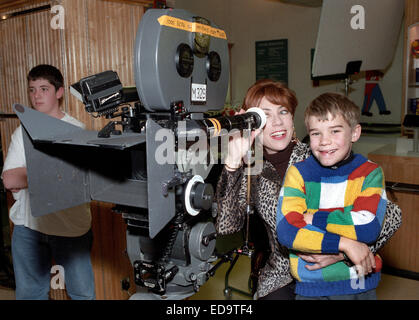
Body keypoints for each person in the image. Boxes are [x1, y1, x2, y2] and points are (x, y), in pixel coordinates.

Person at [216, 80, 401, 300]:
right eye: (266, 116)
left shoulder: (321, 152)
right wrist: (232, 163)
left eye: (283, 112)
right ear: (253, 124)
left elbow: (392, 215)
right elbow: (226, 226)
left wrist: (341, 252)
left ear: (293, 118)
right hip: (281, 275)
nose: (277, 123)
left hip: (336, 269)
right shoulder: (252, 172)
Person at [277, 92, 388, 300]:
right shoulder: (298, 173)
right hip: (311, 288)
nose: (324, 141)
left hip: (360, 285)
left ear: (355, 133)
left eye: (335, 131)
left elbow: (367, 226)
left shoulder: (370, 173)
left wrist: (313, 218)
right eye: (315, 133)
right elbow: (287, 230)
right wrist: (345, 243)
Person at [1, 64, 95, 300]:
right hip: (28, 227)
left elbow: (74, 181)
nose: (36, 96)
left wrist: (30, 174)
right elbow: (9, 179)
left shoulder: (77, 131)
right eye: (32, 90)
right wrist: (51, 173)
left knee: (82, 294)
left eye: (44, 89)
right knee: (31, 295)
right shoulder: (21, 132)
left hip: (71, 227)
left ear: (59, 92)